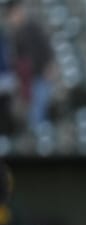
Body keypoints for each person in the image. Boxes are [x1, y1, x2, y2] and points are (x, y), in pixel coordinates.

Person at [4, 0, 54, 133]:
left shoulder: (32, 27)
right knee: (34, 113)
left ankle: (42, 137)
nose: (14, 18)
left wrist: (49, 65)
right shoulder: (14, 35)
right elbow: (16, 60)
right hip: (27, 80)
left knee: (39, 111)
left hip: (39, 75)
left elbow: (45, 46)